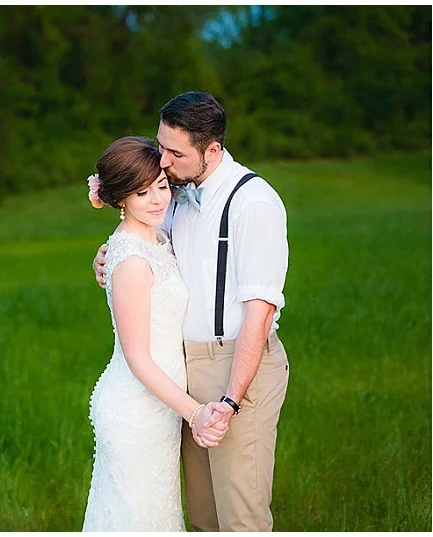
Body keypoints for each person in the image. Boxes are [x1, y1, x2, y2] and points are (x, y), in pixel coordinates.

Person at [93, 92, 290, 532]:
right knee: (201, 517)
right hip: (180, 374)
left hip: (236, 365)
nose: (162, 162)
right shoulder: (175, 193)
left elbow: (258, 314)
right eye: (161, 146)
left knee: (240, 516)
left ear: (212, 149)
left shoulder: (252, 203)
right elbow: (136, 243)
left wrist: (230, 400)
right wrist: (104, 256)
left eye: (174, 152)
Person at [81, 135, 229, 532]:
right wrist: (195, 413)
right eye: (141, 192)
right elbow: (139, 359)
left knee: (159, 516)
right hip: (136, 410)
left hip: (160, 408)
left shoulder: (158, 239)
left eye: (161, 186)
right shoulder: (130, 258)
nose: (157, 200)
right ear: (119, 200)